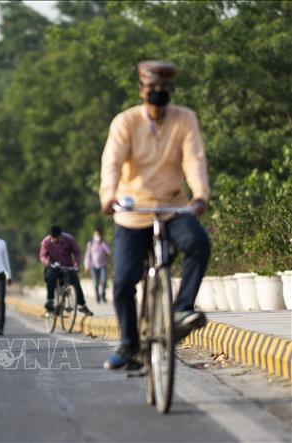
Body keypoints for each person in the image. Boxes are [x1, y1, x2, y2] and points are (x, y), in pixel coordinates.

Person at [100, 60, 210, 370]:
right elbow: (112, 162)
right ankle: (129, 342)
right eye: (152, 88)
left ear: (171, 91)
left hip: (173, 206)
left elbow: (194, 159)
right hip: (132, 212)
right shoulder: (126, 122)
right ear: (141, 90)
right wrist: (108, 195)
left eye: (163, 89)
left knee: (198, 243)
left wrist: (200, 194)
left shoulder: (185, 119)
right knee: (122, 282)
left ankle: (181, 309)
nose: (157, 93)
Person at [39, 226, 94, 316]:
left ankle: (82, 305)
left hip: (67, 267)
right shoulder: (46, 241)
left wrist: (76, 263)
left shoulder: (69, 239)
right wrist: (46, 261)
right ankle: (50, 301)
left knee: (76, 283)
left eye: (57, 237)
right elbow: (42, 255)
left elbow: (76, 251)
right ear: (50, 236)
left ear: (60, 235)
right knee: (50, 277)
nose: (55, 240)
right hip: (53, 266)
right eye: (53, 238)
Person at [84, 228, 111, 304]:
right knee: (95, 282)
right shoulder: (91, 243)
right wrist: (86, 265)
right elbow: (87, 255)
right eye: (96, 234)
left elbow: (109, 252)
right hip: (93, 266)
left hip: (103, 265)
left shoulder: (103, 243)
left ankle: (103, 295)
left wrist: (102, 243)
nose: (97, 236)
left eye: (98, 235)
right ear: (93, 235)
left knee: (103, 281)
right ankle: (97, 296)